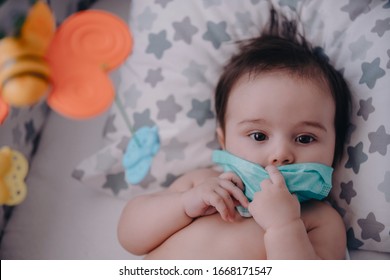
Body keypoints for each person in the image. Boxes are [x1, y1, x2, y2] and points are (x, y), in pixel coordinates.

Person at [117, 11, 352, 259]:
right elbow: (130, 237)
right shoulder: (202, 183)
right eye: (259, 136)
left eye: (305, 138)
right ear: (223, 139)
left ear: (335, 145)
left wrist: (283, 226)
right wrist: (184, 204)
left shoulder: (319, 220)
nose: (281, 154)